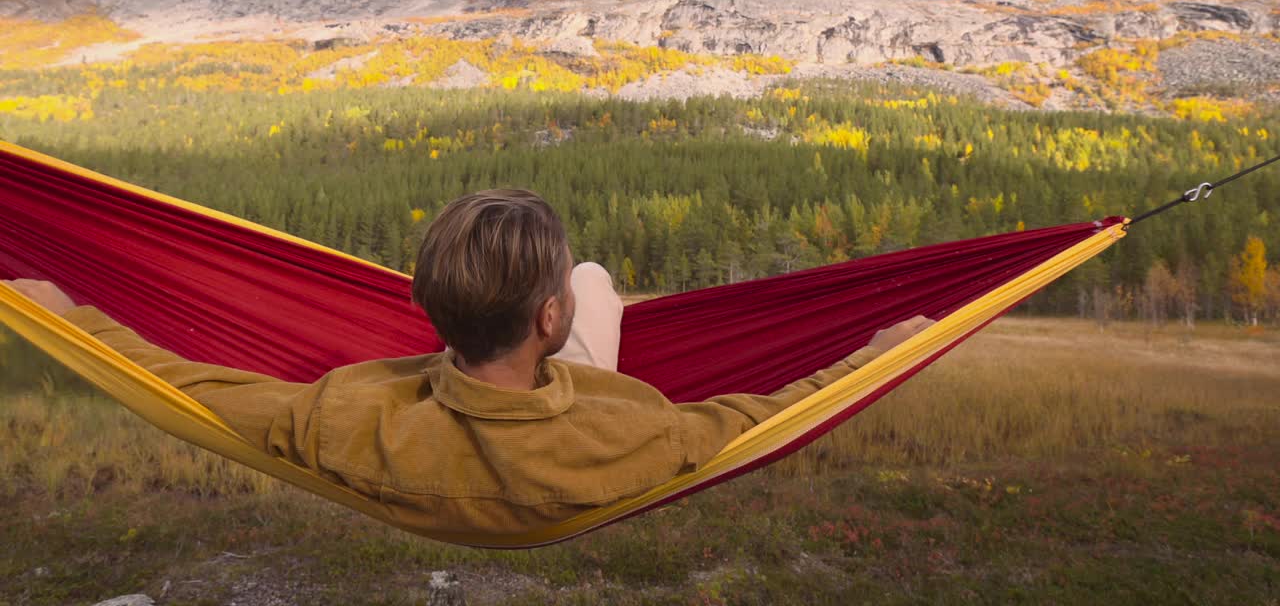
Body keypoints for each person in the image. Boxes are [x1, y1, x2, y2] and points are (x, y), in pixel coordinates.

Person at [3, 189, 934, 536]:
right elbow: (762, 413)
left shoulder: (336, 422)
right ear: (549, 318)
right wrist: (886, 349)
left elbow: (183, 383)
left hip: (443, 400)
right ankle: (588, 283)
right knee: (605, 275)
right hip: (566, 409)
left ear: (421, 308)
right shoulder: (638, 436)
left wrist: (63, 310)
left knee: (592, 278)